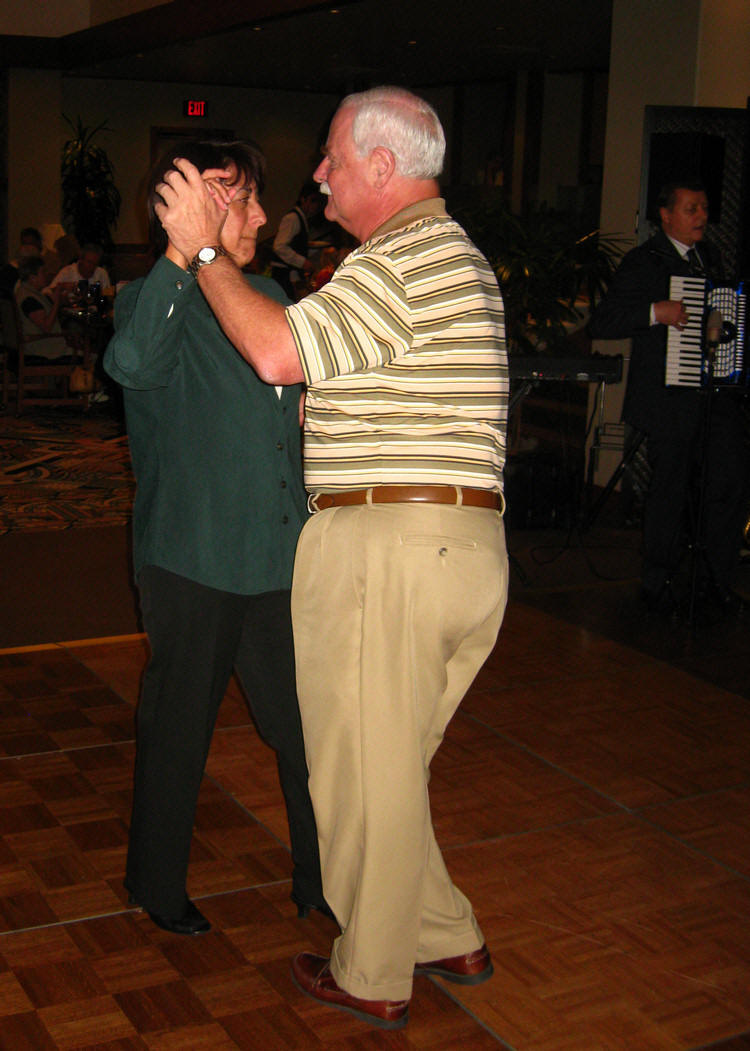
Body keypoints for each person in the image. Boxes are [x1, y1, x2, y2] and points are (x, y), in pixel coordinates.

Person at [154, 86, 509, 1027]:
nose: (318, 175)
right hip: (457, 544)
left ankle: (373, 972)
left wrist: (199, 248)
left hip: (391, 549)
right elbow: (388, 382)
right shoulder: (449, 258)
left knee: (357, 772)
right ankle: (445, 930)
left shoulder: (394, 262)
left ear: (383, 168)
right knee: (387, 769)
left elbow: (275, 352)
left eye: (333, 159)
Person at [103, 139, 328, 937]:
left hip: (276, 556)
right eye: (245, 200)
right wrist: (177, 253)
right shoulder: (151, 297)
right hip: (192, 557)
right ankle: (155, 883)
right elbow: (130, 364)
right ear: (191, 207)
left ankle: (321, 880)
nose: (263, 216)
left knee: (309, 732)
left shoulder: (263, 291)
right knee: (178, 730)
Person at [589, 179, 747, 616]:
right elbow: (604, 321)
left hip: (712, 396)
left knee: (728, 484)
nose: (702, 216)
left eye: (704, 208)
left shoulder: (710, 260)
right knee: (669, 491)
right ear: (666, 214)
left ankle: (716, 579)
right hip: (667, 399)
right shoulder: (646, 261)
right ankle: (657, 583)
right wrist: (656, 312)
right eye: (692, 208)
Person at [269, 180, 322, 299]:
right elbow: (279, 246)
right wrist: (302, 262)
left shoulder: (301, 219)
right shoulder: (292, 218)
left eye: (317, 202)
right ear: (303, 199)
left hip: (291, 275)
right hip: (283, 276)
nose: (315, 206)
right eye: (312, 201)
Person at [13, 256, 72, 360]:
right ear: (32, 278)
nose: (46, 275)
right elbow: (47, 327)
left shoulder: (28, 292)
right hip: (42, 350)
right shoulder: (29, 299)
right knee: (91, 355)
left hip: (43, 346)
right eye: (43, 272)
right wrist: (57, 302)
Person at [46, 242, 110, 296]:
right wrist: (62, 287)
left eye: (95, 264)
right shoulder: (67, 272)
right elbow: (47, 292)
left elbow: (108, 295)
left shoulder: (102, 273)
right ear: (81, 260)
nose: (92, 266)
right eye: (89, 262)